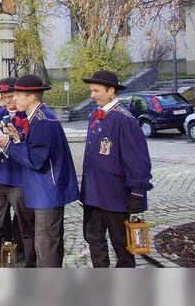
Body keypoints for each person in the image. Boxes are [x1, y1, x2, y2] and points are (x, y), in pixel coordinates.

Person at [0, 74, 79, 268]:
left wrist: (7, 145)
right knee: (45, 243)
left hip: (47, 192)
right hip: (43, 192)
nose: (14, 99)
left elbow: (36, 159)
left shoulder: (43, 120)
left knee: (46, 245)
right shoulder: (38, 117)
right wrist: (17, 137)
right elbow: (36, 150)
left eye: (18, 95)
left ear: (31, 97)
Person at [80, 70, 153, 268]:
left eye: (96, 91)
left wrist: (137, 191)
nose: (92, 95)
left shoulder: (124, 119)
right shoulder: (95, 114)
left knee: (122, 245)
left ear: (111, 91)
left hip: (116, 195)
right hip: (94, 193)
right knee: (94, 239)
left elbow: (137, 159)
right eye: (91, 90)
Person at [0, 77, 36, 267]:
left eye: (11, 96)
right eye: (3, 96)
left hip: (18, 178)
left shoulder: (28, 115)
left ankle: (29, 264)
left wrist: (13, 141)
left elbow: (32, 149)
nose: (8, 100)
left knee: (26, 224)